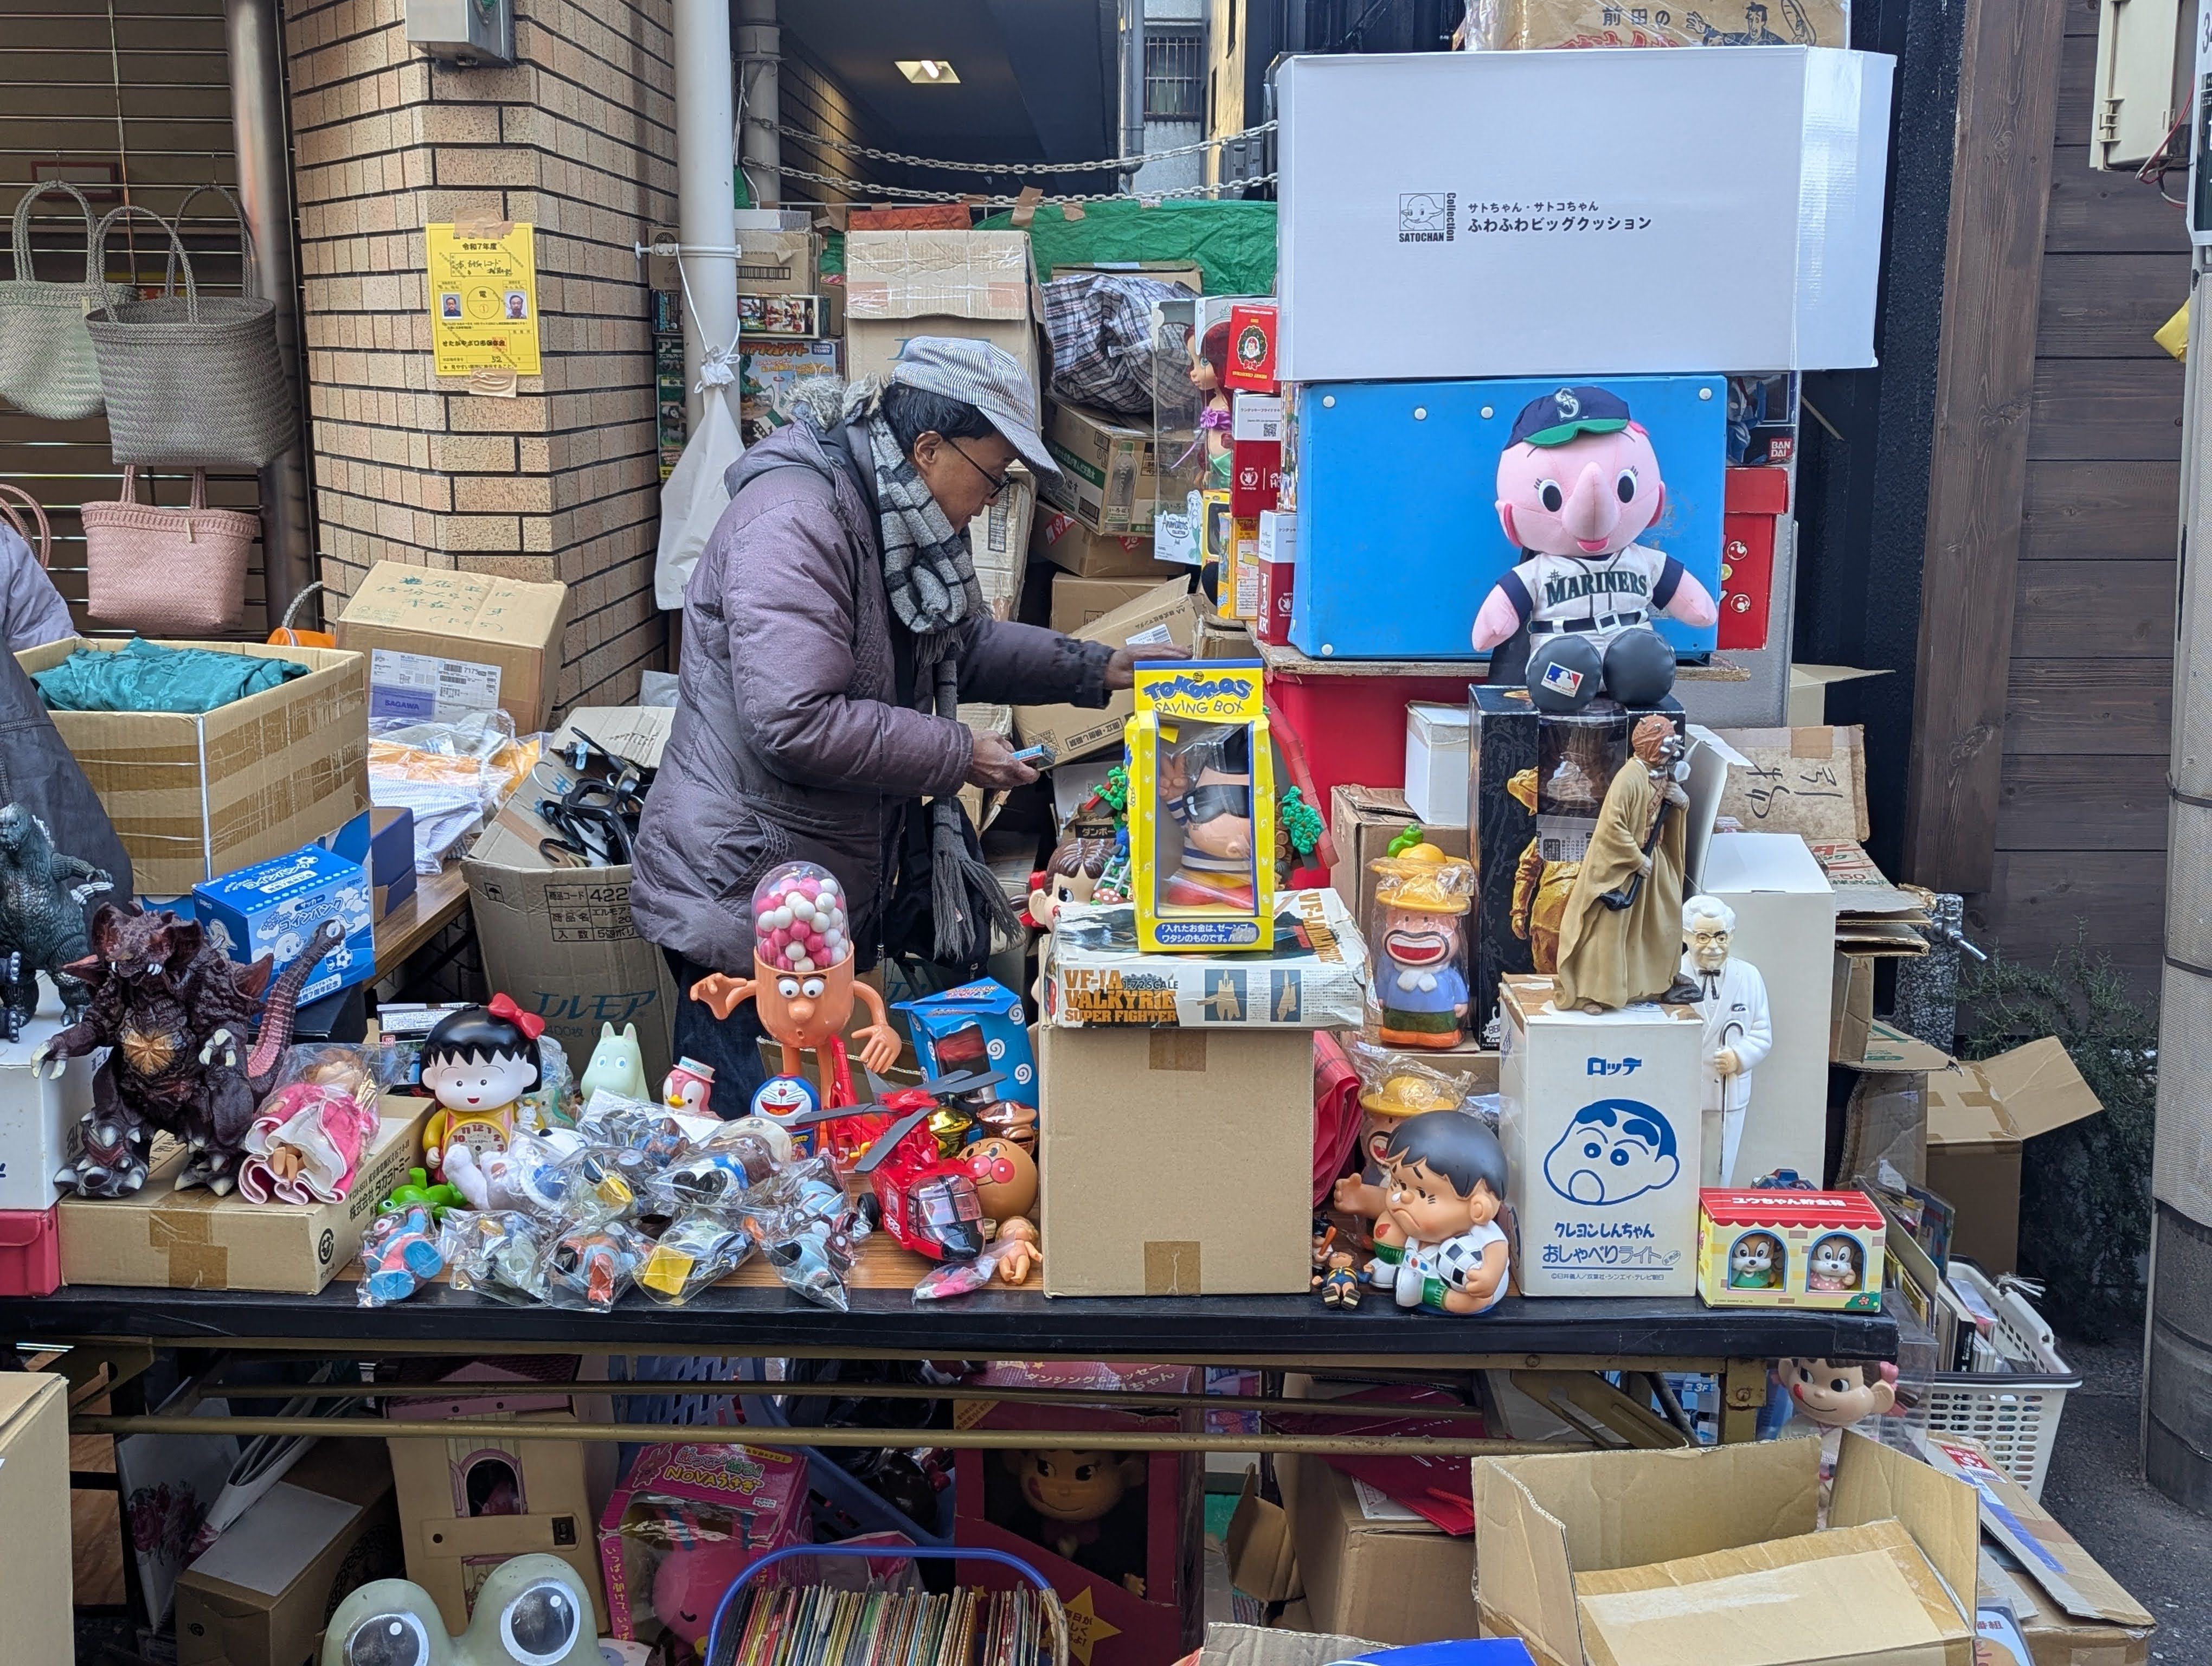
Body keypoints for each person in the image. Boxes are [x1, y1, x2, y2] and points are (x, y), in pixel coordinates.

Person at [632, 338, 1182, 1111]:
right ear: (928, 449)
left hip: (802, 883)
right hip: (744, 890)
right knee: (751, 1135)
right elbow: (794, 720)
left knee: (813, 1127)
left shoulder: (888, 517)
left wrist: (1100, 668)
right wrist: (959, 753)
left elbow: (959, 643)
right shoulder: (795, 522)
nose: (992, 498)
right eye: (994, 474)